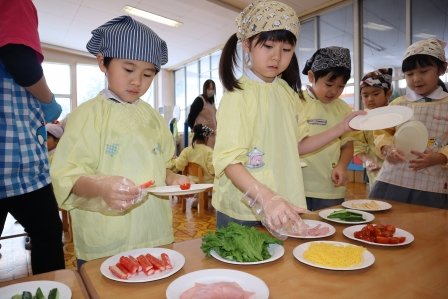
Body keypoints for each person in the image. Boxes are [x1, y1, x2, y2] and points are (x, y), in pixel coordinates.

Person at [213, 0, 364, 233]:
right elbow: (229, 160)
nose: (276, 57)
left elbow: (298, 145)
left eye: (286, 50)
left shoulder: (286, 92)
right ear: (247, 45)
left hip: (281, 201)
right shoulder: (237, 96)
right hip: (243, 207)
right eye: (268, 46)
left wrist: (341, 127)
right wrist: (265, 197)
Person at [50, 15, 190, 266]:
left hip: (153, 231)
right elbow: (66, 176)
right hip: (106, 239)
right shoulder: (87, 115)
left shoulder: (153, 118)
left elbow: (161, 166)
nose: (137, 81)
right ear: (103, 62)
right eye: (128, 69)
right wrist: (102, 187)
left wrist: (173, 179)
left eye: (148, 74)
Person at [0, 0, 65, 273]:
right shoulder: (16, 2)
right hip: (15, 161)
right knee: (47, 234)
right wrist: (48, 101)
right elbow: (19, 57)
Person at [369, 38, 448, 209]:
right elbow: (381, 132)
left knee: (427, 230)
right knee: (385, 225)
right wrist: (386, 148)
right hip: (392, 180)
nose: (416, 79)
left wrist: (442, 156)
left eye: (424, 71)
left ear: (442, 68)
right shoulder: (398, 104)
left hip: (433, 184)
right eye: (410, 74)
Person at [300, 46, 355, 211]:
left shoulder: (344, 109)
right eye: (329, 84)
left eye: (340, 86)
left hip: (330, 187)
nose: (334, 91)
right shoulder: (297, 102)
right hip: (298, 184)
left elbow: (347, 144)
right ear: (311, 77)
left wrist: (342, 165)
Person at [353, 68, 393, 188]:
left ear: (388, 93)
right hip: (375, 175)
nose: (370, 99)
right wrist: (367, 160)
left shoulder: (396, 116)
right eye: (365, 95)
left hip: (400, 173)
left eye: (376, 94)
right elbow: (357, 145)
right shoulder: (361, 120)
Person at [187, 79, 217, 148]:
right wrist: (197, 130)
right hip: (202, 138)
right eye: (209, 89)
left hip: (212, 138)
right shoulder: (199, 100)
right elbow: (190, 119)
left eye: (212, 89)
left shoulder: (212, 103)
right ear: (205, 89)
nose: (211, 91)